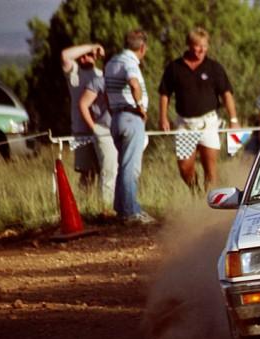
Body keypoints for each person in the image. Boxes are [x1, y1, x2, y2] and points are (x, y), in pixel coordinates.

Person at [158, 27, 239, 191]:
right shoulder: (175, 67)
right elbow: (164, 93)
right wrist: (163, 117)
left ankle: (208, 207)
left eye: (205, 46)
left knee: (210, 168)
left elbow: (226, 93)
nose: (201, 49)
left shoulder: (214, 67)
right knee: (185, 168)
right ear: (189, 45)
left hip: (208, 124)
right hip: (185, 125)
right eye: (197, 45)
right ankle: (195, 192)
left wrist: (233, 119)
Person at [105, 29, 156, 224]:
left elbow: (105, 92)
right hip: (131, 116)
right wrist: (141, 107)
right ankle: (131, 211)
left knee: (123, 164)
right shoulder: (129, 63)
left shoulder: (111, 63)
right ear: (142, 47)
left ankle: (121, 207)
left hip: (117, 117)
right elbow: (134, 84)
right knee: (130, 167)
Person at [61, 43, 118, 210]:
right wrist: (92, 47)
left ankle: (104, 206)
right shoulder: (74, 74)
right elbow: (65, 55)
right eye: (83, 55)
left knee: (106, 170)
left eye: (90, 55)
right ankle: (85, 207)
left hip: (103, 129)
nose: (86, 58)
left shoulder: (101, 75)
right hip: (82, 129)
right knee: (87, 172)